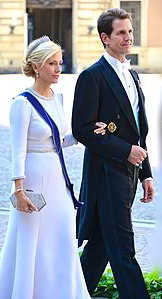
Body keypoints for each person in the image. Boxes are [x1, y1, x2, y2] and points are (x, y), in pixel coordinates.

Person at [0, 36, 100, 299]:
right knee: (31, 242)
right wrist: (19, 192)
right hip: (31, 182)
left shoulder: (59, 98)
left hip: (58, 180)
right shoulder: (22, 102)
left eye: (60, 63)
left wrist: (85, 134)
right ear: (36, 66)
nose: (58, 69)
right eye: (51, 63)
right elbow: (17, 150)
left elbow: (59, 141)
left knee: (60, 238)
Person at [72, 8, 154, 299]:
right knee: (122, 246)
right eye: (121, 32)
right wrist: (125, 151)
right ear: (105, 38)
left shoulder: (132, 74)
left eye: (130, 31)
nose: (128, 37)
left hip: (130, 172)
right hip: (106, 173)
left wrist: (146, 173)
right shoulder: (92, 77)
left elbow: (138, 130)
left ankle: (71, 292)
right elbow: (81, 128)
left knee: (103, 245)